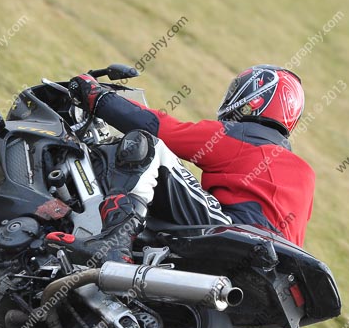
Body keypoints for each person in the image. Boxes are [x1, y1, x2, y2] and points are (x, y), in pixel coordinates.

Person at [66, 64, 314, 263]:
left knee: (149, 145)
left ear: (254, 99)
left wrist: (98, 97)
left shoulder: (244, 137)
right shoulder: (305, 174)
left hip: (234, 237)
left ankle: (114, 243)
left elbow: (161, 129)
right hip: (272, 265)